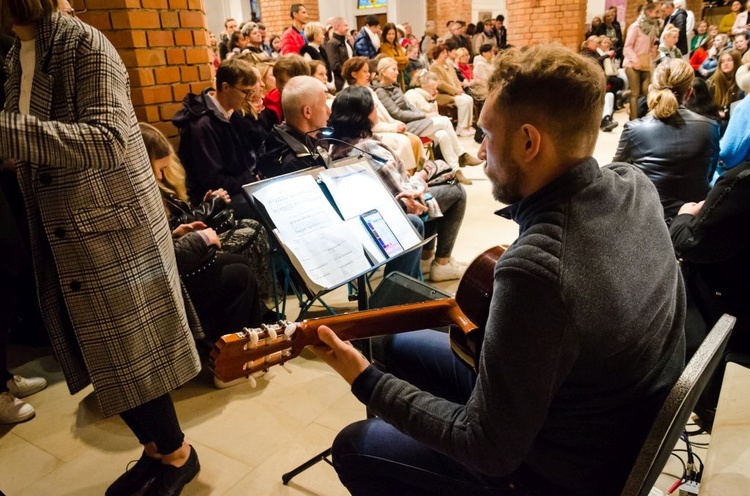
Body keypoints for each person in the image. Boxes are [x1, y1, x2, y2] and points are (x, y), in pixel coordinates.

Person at [312, 43, 686, 496]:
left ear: (529, 142)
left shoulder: (537, 270)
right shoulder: (634, 184)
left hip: (559, 472)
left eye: (487, 134)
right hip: (603, 420)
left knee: (355, 444)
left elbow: (489, 449)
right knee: (394, 341)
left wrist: (363, 378)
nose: (480, 149)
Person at [0, 2, 201, 494]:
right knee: (102, 357)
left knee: (131, 355)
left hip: (110, 230)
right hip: (62, 228)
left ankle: (179, 455)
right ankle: (157, 451)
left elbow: (107, 139)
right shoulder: (16, 57)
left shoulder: (83, 44)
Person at [329, 86, 467, 282]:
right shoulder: (368, 148)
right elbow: (403, 195)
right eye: (373, 105)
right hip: (391, 213)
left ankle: (426, 258)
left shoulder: (336, 147)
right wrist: (422, 175)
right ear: (363, 114)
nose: (376, 107)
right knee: (457, 192)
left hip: (367, 212)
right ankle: (441, 263)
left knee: (436, 187)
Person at [614, 58, 720, 220]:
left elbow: (616, 173)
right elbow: (709, 173)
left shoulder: (635, 129)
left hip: (647, 217)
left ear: (651, 89)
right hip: (693, 220)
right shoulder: (711, 127)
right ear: (690, 92)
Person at [173, 58, 260, 219]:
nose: (248, 98)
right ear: (225, 87)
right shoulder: (201, 125)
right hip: (213, 200)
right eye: (245, 92)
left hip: (238, 186)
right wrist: (250, 180)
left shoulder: (231, 113)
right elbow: (212, 181)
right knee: (261, 208)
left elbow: (252, 149)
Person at [374, 57, 482, 173]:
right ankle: (462, 154)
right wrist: (424, 116)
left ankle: (455, 170)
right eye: (393, 69)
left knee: (443, 134)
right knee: (444, 120)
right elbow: (397, 114)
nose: (397, 72)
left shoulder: (395, 87)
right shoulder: (380, 91)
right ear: (384, 72)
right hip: (403, 126)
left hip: (413, 122)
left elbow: (410, 107)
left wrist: (425, 114)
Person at [342, 56, 423, 172]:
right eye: (364, 71)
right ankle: (401, 175)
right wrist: (393, 128)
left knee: (415, 139)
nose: (368, 74)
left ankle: (415, 173)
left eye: (368, 71)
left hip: (385, 127)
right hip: (370, 133)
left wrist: (396, 123)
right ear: (354, 74)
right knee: (404, 142)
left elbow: (385, 113)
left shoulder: (369, 90)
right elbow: (369, 124)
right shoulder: (352, 95)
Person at [623, 2, 661, 120]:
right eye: (656, 12)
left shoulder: (653, 27)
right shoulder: (636, 26)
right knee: (635, 92)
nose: (658, 14)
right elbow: (627, 47)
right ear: (648, 12)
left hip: (645, 63)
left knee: (648, 91)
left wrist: (653, 52)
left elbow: (649, 47)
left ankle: (651, 118)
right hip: (632, 62)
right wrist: (635, 60)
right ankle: (632, 120)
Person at [430, 43, 475, 136]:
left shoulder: (448, 65)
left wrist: (459, 88)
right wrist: (454, 90)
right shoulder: (434, 67)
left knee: (469, 99)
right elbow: (440, 83)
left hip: (454, 92)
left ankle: (467, 126)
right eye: (443, 53)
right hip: (443, 94)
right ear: (437, 54)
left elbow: (456, 79)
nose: (445, 55)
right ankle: (461, 127)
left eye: (446, 52)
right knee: (463, 101)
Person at [325, 17, 352, 92]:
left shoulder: (346, 42)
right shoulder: (332, 44)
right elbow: (334, 65)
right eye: (345, 25)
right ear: (337, 27)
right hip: (341, 83)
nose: (348, 28)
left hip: (349, 79)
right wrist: (347, 75)